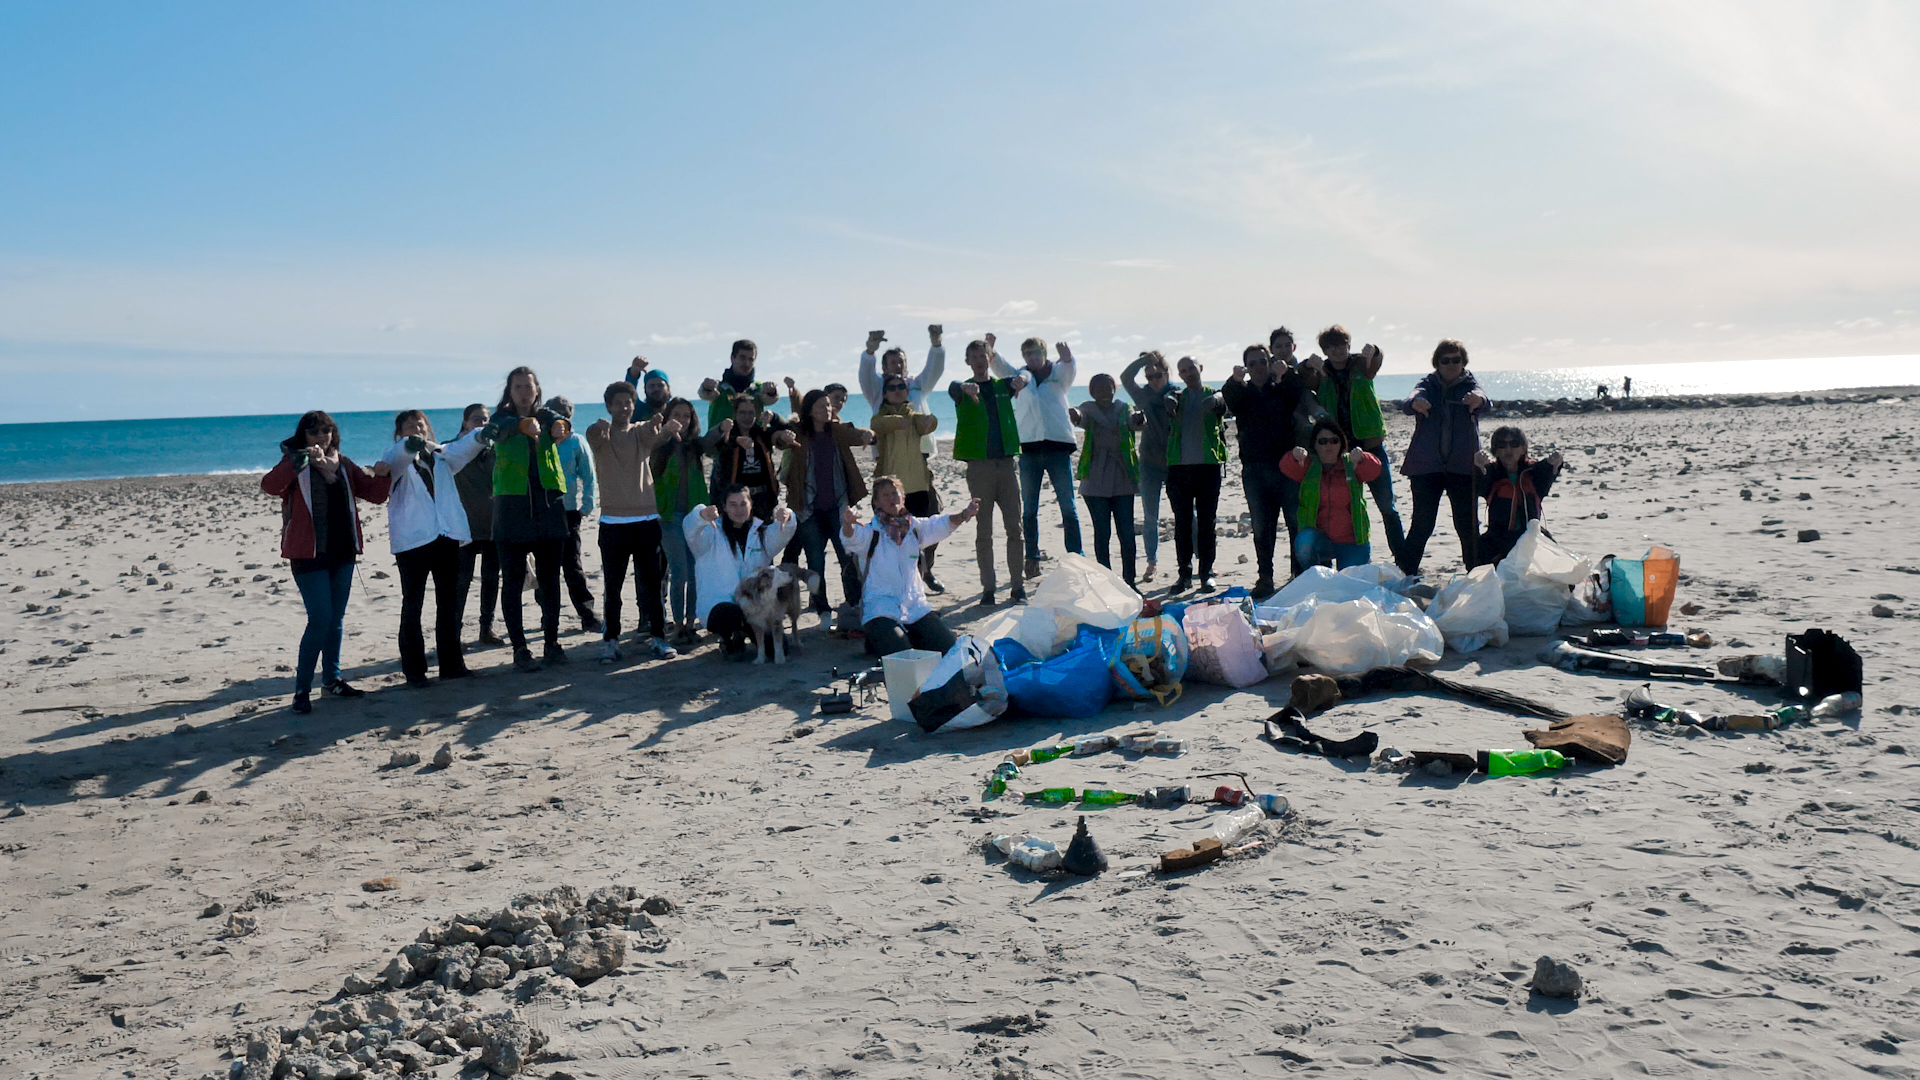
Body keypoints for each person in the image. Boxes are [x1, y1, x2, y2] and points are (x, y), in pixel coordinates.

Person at [260, 410, 391, 714]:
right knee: (319, 619)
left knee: (336, 620)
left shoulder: (343, 464)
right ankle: (302, 690)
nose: (321, 436)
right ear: (303, 435)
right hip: (307, 552)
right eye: (314, 431)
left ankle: (332, 679)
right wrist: (298, 460)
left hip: (342, 552)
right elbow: (269, 486)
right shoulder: (296, 462)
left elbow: (373, 494)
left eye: (326, 430)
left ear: (333, 434)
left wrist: (384, 476)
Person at [377, 410, 487, 686]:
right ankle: (414, 670)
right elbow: (399, 455)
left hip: (446, 535)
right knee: (412, 604)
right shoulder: (395, 457)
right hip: (413, 541)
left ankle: (451, 664)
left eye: (421, 424)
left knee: (449, 604)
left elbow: (463, 448)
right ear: (399, 432)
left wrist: (482, 435)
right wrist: (408, 444)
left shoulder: (440, 455)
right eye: (410, 425)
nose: (417, 428)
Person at [480, 366, 572, 671]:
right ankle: (520, 648)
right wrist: (522, 425)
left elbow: (558, 421)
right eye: (517, 387)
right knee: (514, 581)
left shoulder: (546, 415)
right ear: (510, 391)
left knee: (550, 580)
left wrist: (560, 426)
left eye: (527, 386)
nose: (523, 391)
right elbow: (502, 429)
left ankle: (552, 642)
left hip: (548, 504)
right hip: (511, 508)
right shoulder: (500, 418)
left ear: (536, 389)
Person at [585, 382, 683, 663]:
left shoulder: (640, 431)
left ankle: (658, 638)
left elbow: (654, 434)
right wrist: (598, 427)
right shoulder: (601, 434)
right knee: (613, 587)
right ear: (608, 405)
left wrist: (662, 426)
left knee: (652, 585)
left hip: (646, 520)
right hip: (613, 522)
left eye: (629, 402)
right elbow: (592, 436)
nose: (624, 407)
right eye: (618, 403)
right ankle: (611, 640)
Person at [1306, 325, 1406, 573]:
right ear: (1325, 350)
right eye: (1331, 347)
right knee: (1343, 507)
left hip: (1370, 446)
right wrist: (1310, 366)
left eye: (1341, 345)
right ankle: (1338, 563)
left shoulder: (1361, 364)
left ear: (1349, 345)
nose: (1337, 350)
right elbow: (1305, 382)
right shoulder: (1323, 372)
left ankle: (1405, 561)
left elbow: (1377, 361)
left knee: (1387, 506)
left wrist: (1377, 350)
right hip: (1340, 452)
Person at [843, 476, 979, 657]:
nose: (892, 498)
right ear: (876, 502)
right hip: (881, 609)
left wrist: (964, 515)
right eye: (885, 495)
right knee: (904, 657)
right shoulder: (871, 533)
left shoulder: (914, 527)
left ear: (903, 497)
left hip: (915, 606)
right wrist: (847, 523)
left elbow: (940, 524)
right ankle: (877, 641)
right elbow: (850, 537)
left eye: (895, 493)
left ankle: (908, 636)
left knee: (949, 649)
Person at [1222, 336, 1316, 597]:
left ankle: (1299, 574)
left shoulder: (1281, 389)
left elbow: (1298, 391)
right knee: (1263, 528)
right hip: (1255, 470)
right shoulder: (1243, 393)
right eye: (1252, 363)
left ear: (1270, 361)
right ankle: (1265, 577)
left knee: (1295, 522)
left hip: (1287, 466)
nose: (1259, 366)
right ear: (1247, 368)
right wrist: (1234, 379)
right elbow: (1229, 398)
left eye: (1263, 361)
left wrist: (1285, 375)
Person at [774, 387, 874, 628]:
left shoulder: (836, 431)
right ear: (809, 410)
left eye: (828, 405)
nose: (827, 409)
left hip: (837, 507)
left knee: (847, 558)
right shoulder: (798, 432)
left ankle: (854, 605)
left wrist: (869, 434)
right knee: (815, 562)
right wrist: (782, 437)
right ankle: (823, 610)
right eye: (821, 406)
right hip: (807, 510)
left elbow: (856, 433)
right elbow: (777, 439)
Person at [860, 326, 948, 590]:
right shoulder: (878, 391)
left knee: (929, 520)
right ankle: (896, 578)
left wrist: (936, 342)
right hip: (889, 466)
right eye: (891, 364)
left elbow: (935, 369)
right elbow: (866, 375)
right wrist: (871, 350)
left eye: (901, 362)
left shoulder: (916, 388)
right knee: (891, 527)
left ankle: (925, 571)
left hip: (920, 462)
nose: (897, 368)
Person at [990, 336, 1081, 579]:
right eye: (1027, 353)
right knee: (1029, 509)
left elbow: (1070, 370)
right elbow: (999, 367)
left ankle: (1076, 557)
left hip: (1058, 446)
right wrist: (991, 348)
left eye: (1035, 352)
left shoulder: (1058, 373)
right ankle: (1032, 558)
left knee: (1068, 507)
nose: (1031, 357)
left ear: (1044, 352)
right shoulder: (1020, 376)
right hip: (1029, 448)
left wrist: (1068, 357)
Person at [1398, 340, 1490, 576]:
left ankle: (1476, 575)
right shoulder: (1428, 384)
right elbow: (1410, 400)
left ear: (1463, 362)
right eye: (1445, 360)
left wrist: (1477, 400)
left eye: (1455, 360)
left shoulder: (1470, 385)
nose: (1450, 364)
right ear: (1437, 363)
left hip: (1463, 467)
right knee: (1422, 524)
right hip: (1426, 468)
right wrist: (1416, 403)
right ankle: (1405, 572)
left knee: (1467, 526)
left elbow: (1484, 400)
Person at [949, 337, 1029, 606]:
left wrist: (1022, 381)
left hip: (1006, 465)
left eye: (984, 356)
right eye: (974, 357)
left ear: (990, 359)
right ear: (968, 361)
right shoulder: (962, 390)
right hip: (979, 468)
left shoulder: (1003, 385)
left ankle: (1017, 587)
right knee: (984, 531)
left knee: (1014, 529)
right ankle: (988, 589)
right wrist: (964, 387)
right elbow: (953, 389)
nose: (980, 361)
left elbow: (1023, 376)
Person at [684, 485, 796, 660]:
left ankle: (746, 634)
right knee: (730, 614)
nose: (738, 510)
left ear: (751, 504)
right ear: (724, 507)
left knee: (778, 651)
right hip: (718, 605)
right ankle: (729, 638)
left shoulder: (761, 532)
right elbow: (690, 530)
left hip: (754, 607)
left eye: (743, 504)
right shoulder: (710, 533)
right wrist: (700, 515)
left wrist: (787, 517)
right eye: (733, 504)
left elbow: (782, 533)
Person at [869, 373, 943, 589]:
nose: (898, 390)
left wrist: (930, 420)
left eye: (901, 386)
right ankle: (896, 587)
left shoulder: (914, 417)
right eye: (892, 388)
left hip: (918, 488)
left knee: (919, 541)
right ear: (884, 394)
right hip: (890, 495)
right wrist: (898, 419)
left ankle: (921, 580)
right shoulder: (879, 418)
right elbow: (880, 425)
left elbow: (928, 423)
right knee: (892, 544)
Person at [1070, 374, 1145, 587]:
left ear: (1115, 389)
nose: (1103, 393)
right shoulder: (1088, 408)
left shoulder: (1123, 408)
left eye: (1107, 388)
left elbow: (1134, 421)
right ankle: (1107, 582)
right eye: (1098, 389)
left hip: (1122, 477)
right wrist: (1074, 415)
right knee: (1102, 533)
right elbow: (1080, 416)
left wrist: (1140, 419)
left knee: (1127, 533)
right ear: (1091, 392)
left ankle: (1130, 582)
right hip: (1094, 480)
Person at [1281, 418, 1382, 570]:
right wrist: (1294, 456)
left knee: (1349, 586)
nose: (1328, 445)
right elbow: (1286, 467)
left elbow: (1374, 470)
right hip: (1321, 540)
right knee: (1304, 540)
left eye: (1334, 441)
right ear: (1315, 444)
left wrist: (1362, 458)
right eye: (1322, 441)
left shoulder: (1351, 464)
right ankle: (1314, 573)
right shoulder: (1308, 466)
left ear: (1341, 443)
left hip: (1352, 540)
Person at [1164, 355, 1228, 594]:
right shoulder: (1176, 397)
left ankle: (1207, 573)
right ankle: (1184, 573)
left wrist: (1216, 401)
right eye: (1183, 371)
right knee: (1181, 524)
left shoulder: (1213, 394)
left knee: (1206, 523)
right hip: (1178, 468)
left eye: (1191, 368)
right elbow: (1166, 400)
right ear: (1179, 375)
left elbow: (1223, 402)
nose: (1188, 373)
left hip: (1208, 466)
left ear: (1200, 369)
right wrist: (1169, 401)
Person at [650, 397, 708, 645]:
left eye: (687, 415)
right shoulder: (659, 445)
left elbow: (713, 440)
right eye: (678, 414)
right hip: (669, 517)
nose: (682, 420)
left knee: (696, 571)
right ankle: (678, 624)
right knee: (679, 572)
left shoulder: (694, 446)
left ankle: (691, 622)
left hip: (694, 517)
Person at [543, 396, 603, 635]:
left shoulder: (576, 442)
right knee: (546, 568)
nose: (560, 418)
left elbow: (588, 476)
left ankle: (587, 614)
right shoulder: (541, 443)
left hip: (568, 512)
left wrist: (586, 506)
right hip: (543, 512)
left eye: (564, 413)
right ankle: (548, 615)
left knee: (572, 566)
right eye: (555, 413)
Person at [1120, 350, 1177, 583]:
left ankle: (1194, 559)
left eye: (1158, 375)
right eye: (1149, 376)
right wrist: (1144, 361)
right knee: (1150, 516)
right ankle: (1151, 562)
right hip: (1149, 463)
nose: (1154, 380)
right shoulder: (1142, 396)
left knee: (1187, 515)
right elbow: (1125, 378)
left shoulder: (1175, 392)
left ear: (1166, 374)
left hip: (1175, 462)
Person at [452, 403, 504, 648]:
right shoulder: (452, 449)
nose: (481, 424)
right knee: (461, 580)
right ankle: (454, 630)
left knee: (491, 578)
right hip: (463, 525)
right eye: (475, 419)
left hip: (493, 522)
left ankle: (487, 628)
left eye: (485, 419)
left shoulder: (495, 448)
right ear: (465, 423)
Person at [1474, 426, 1565, 566]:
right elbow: (1480, 486)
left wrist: (1556, 463)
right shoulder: (1491, 473)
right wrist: (1479, 467)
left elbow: (1548, 472)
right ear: (1495, 450)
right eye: (1502, 445)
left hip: (1531, 535)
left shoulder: (1534, 472)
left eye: (1514, 444)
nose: (1508, 450)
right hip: (1498, 537)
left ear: (1523, 449)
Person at [704, 392, 785, 521]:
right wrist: (733, 438)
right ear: (735, 414)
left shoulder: (761, 434)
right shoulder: (727, 435)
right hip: (735, 501)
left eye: (751, 413)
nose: (747, 417)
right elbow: (708, 445)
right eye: (742, 413)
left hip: (762, 499)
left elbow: (786, 428)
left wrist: (774, 417)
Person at [698, 338, 782, 429]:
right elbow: (705, 395)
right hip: (721, 441)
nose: (746, 363)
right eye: (742, 358)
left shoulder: (758, 389)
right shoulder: (719, 388)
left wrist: (772, 392)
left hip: (752, 441)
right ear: (732, 358)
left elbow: (770, 399)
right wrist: (706, 387)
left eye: (751, 359)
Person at [622, 355, 673, 421]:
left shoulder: (676, 412)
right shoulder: (638, 410)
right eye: (651, 386)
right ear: (645, 389)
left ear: (668, 389)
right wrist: (634, 371)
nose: (656, 389)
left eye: (660, 385)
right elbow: (628, 391)